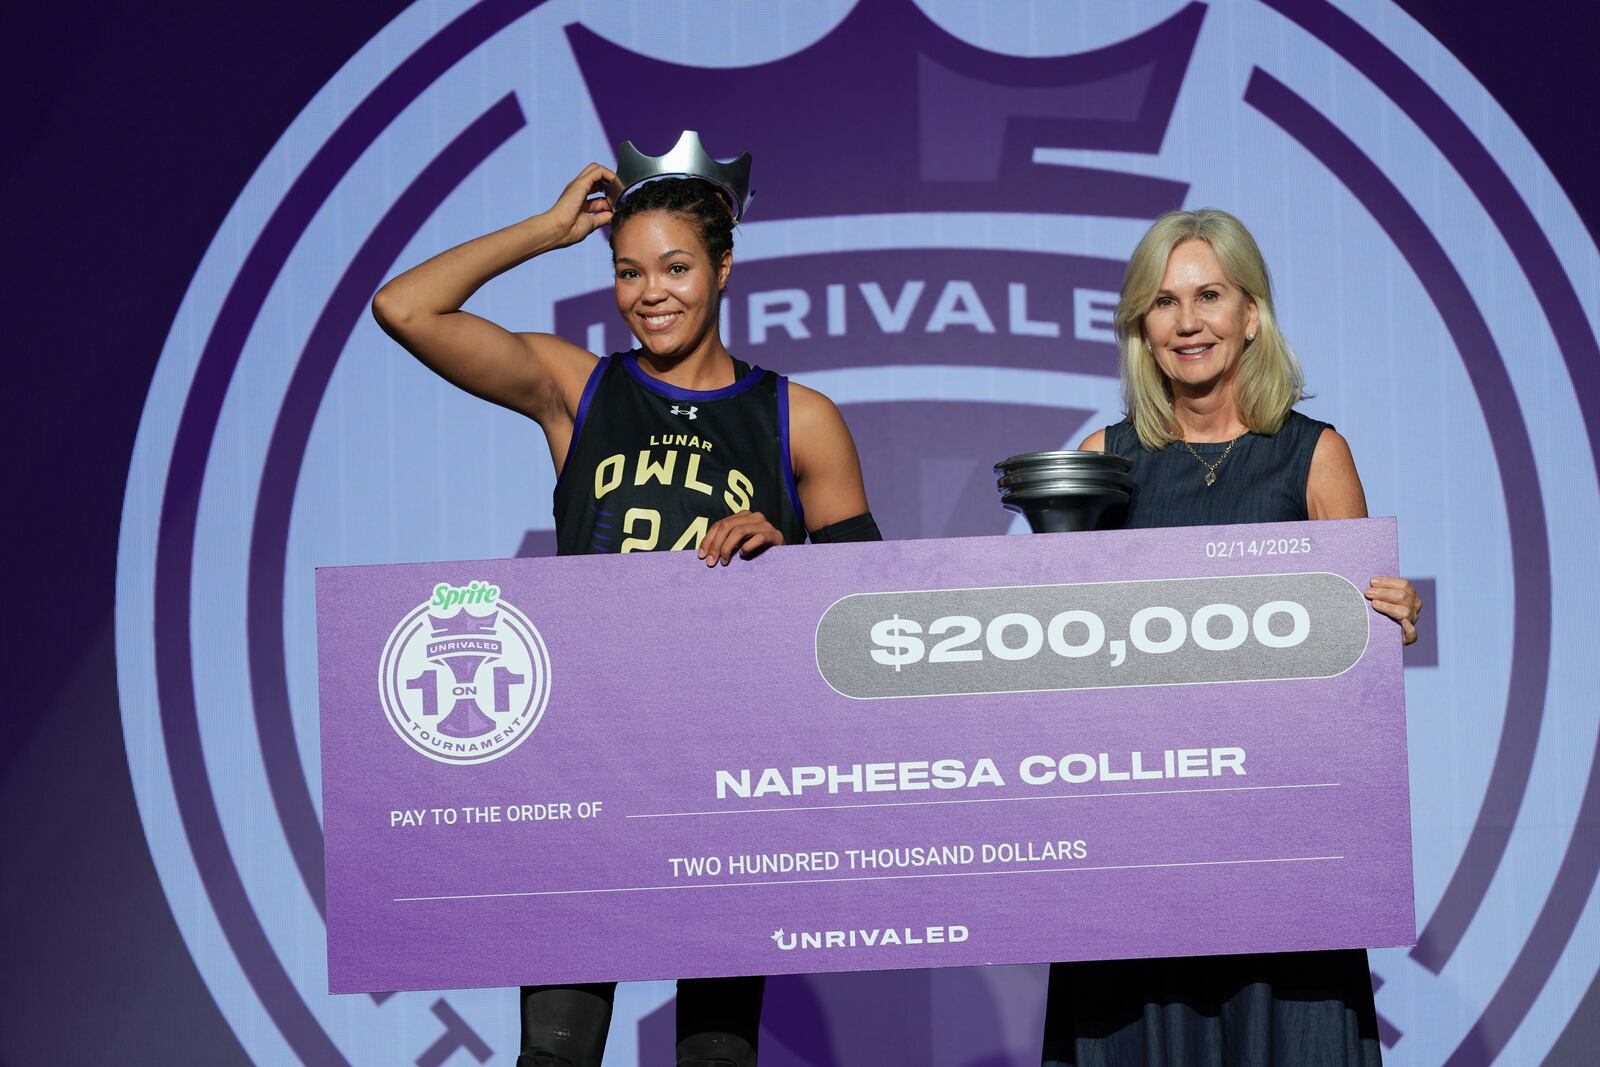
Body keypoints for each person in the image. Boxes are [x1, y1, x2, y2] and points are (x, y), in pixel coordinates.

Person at [372, 160, 877, 1067]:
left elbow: (871, 627)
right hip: (587, 761)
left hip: (733, 772)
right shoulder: (580, 388)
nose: (650, 294)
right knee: (554, 1056)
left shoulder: (800, 418)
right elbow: (406, 309)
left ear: (724, 270)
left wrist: (789, 556)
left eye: (676, 268)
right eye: (628, 271)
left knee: (716, 1059)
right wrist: (547, 230)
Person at [1041, 208, 1422, 1066]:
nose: (1187, 321)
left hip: (1285, 848)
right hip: (1141, 851)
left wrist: (1388, 615)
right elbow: (1053, 650)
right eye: (1165, 301)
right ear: (1142, 324)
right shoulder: (1103, 457)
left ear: (1252, 313)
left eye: (1209, 294)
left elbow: (1351, 650)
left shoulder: (1315, 455)